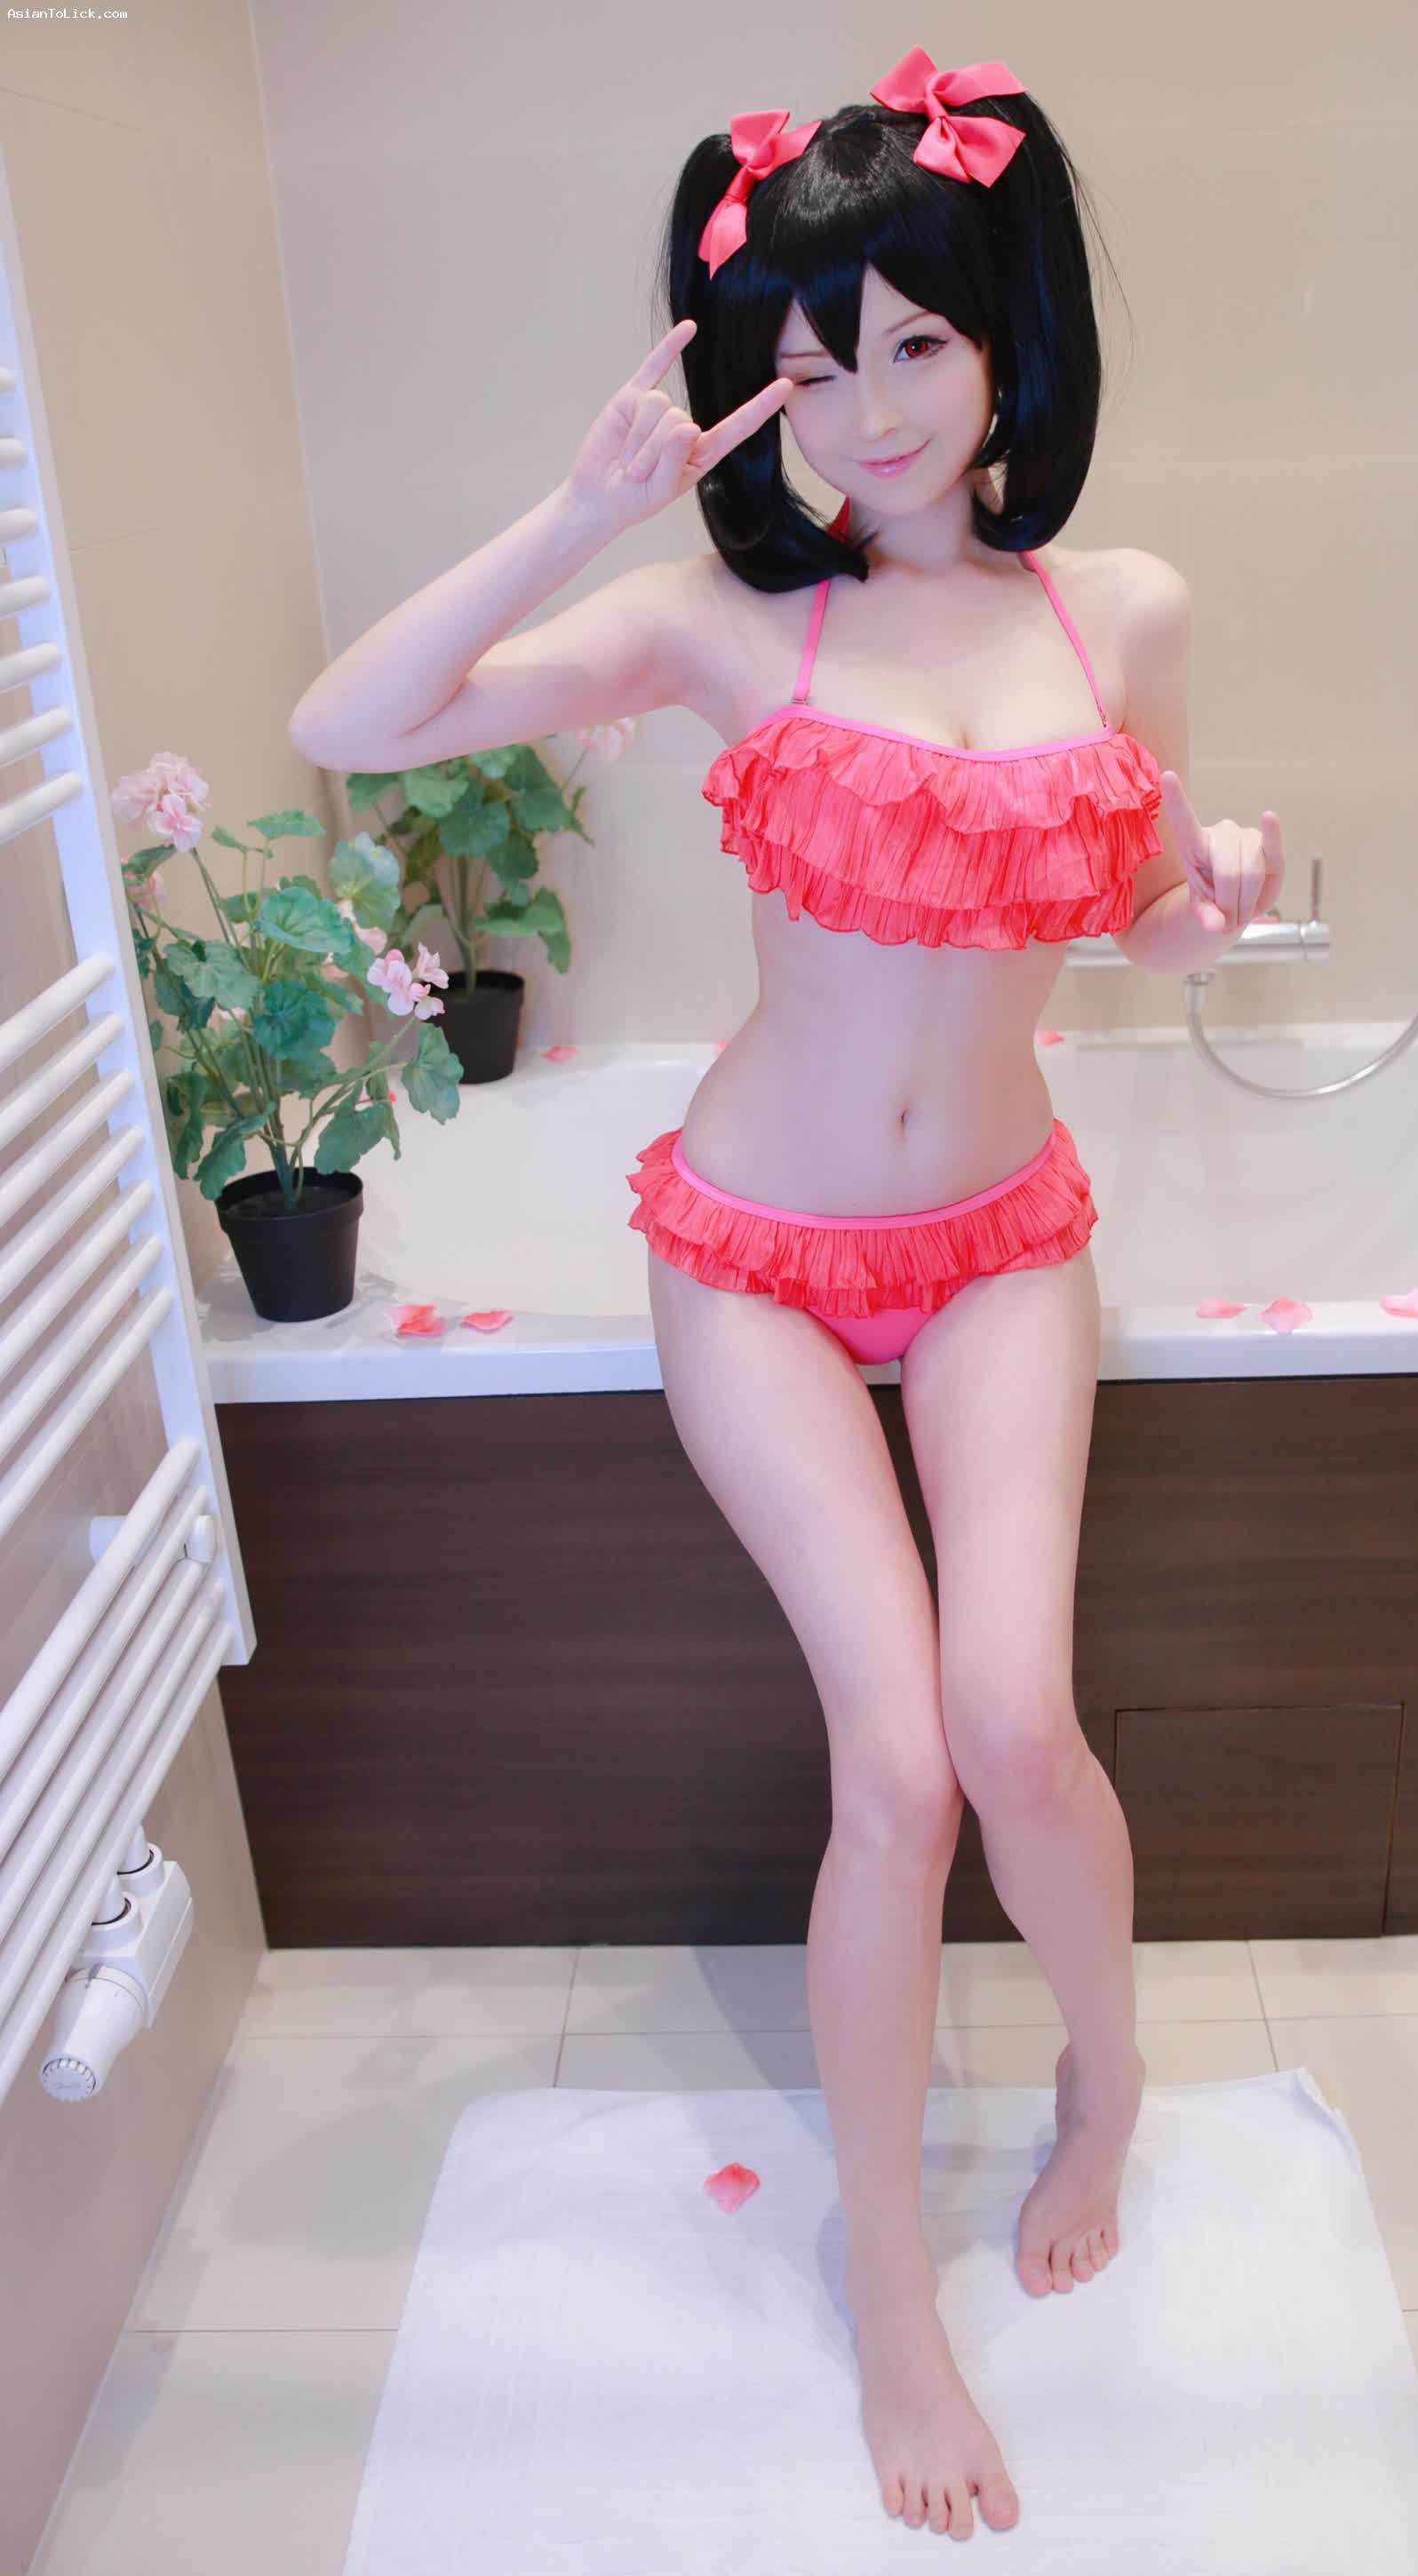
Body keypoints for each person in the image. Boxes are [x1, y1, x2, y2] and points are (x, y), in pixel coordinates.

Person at [288, 45, 1285, 2543]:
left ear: (1009, 337)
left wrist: (1220, 899)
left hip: (999, 1240)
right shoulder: (733, 620)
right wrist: (580, 508)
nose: (866, 408)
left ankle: (1104, 2074)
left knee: (1018, 1726)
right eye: (814, 361)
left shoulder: (1119, 612)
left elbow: (1137, 919)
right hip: (752, 1248)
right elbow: (348, 725)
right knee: (900, 1767)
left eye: (915, 341)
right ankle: (887, 2290)